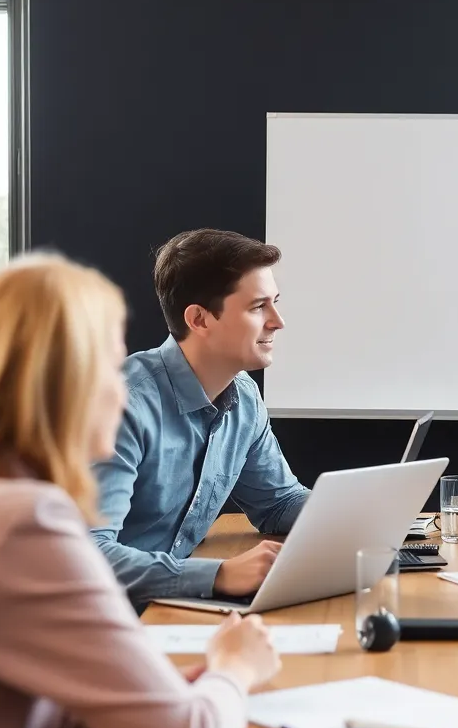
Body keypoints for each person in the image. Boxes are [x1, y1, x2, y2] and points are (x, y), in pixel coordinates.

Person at [0, 256, 282, 728]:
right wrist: (235, 669)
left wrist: (136, 694)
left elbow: (9, 688)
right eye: (107, 364)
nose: (121, 383)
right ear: (65, 383)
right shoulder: (22, 524)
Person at [92, 229, 310, 609]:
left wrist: (357, 516)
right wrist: (220, 575)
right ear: (200, 319)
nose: (278, 321)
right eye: (258, 307)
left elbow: (277, 502)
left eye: (274, 303)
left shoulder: (243, 397)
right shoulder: (121, 404)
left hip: (170, 608)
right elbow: (88, 555)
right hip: (99, 621)